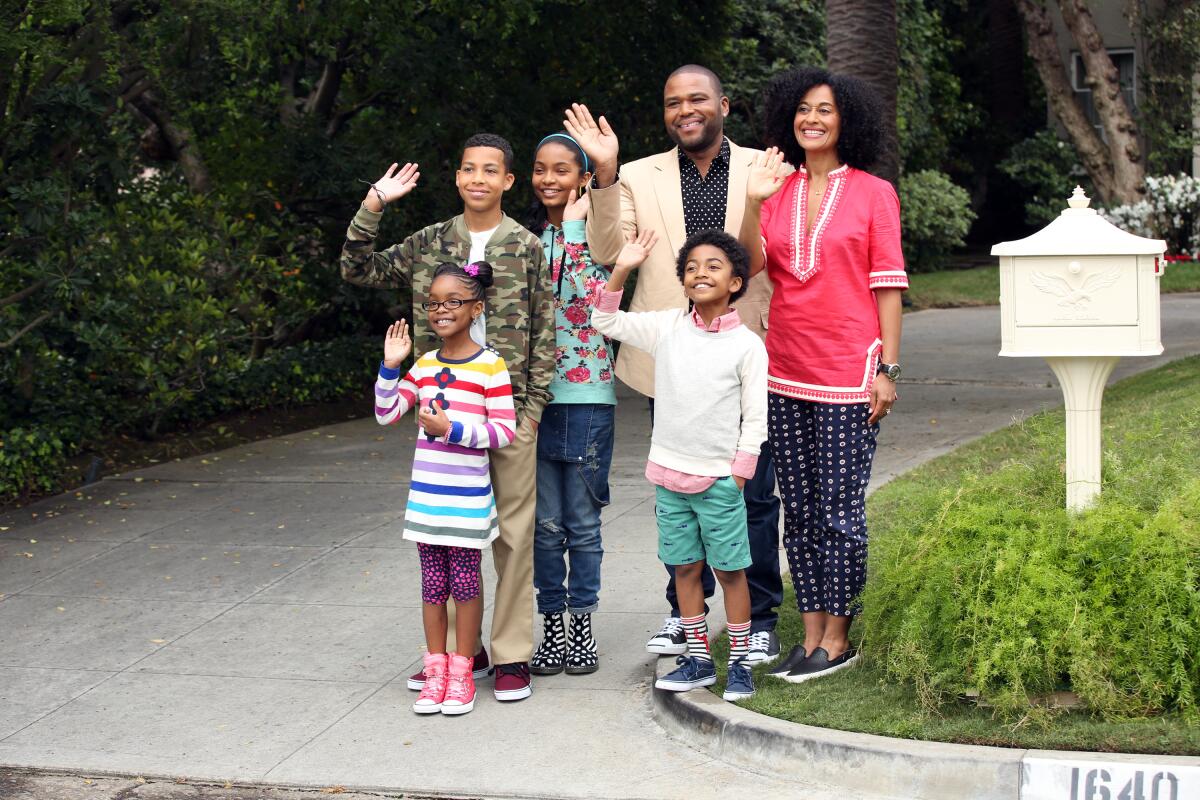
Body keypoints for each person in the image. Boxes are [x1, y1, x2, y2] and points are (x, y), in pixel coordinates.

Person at [565, 65, 787, 664]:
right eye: (672, 103)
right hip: (675, 356)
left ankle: (760, 616)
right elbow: (610, 252)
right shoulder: (634, 175)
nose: (684, 110)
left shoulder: (766, 168)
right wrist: (605, 175)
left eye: (697, 99)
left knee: (754, 494)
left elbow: (767, 259)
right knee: (682, 494)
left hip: (744, 349)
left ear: (723, 104)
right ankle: (685, 618)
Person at [340, 133, 555, 702]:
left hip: (504, 414)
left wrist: (531, 412)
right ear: (457, 178)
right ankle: (465, 651)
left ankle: (508, 654)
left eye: (490, 170)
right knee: (448, 538)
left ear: (508, 180)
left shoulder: (526, 247)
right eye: (468, 169)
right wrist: (374, 204)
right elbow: (356, 269)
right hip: (442, 417)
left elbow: (543, 330)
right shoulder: (429, 242)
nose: (477, 178)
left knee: (512, 537)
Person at [738, 67, 907, 683]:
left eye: (826, 110)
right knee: (800, 510)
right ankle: (808, 635)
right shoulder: (774, 190)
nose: (812, 119)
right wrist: (754, 201)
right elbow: (747, 265)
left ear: (846, 122)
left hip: (847, 375)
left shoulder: (872, 192)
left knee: (839, 509)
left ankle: (838, 637)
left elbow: (888, 287)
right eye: (803, 109)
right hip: (785, 371)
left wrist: (886, 369)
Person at [593, 229, 767, 703]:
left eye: (713, 265)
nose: (700, 273)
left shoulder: (746, 347)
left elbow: (755, 419)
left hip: (718, 484)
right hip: (668, 479)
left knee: (731, 573)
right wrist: (623, 267)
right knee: (684, 571)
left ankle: (741, 663)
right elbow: (604, 319)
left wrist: (737, 476)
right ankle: (698, 659)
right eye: (691, 267)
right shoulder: (667, 327)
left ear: (735, 282)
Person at [373, 263, 516, 715]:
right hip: (428, 501)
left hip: (468, 504)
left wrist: (452, 428)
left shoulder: (490, 365)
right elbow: (387, 413)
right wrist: (390, 367)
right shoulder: (424, 364)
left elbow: (504, 433)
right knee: (432, 587)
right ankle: (434, 671)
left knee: (466, 586)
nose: (440, 310)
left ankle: (461, 672)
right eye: (433, 302)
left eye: (453, 301)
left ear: (476, 309)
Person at [524, 132, 616, 675]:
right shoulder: (527, 238)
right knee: (543, 524)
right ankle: (551, 626)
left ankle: (581, 625)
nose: (549, 178)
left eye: (562, 169)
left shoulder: (599, 236)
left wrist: (578, 229)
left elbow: (595, 302)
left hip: (587, 401)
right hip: (536, 400)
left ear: (583, 178)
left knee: (581, 523)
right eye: (541, 169)